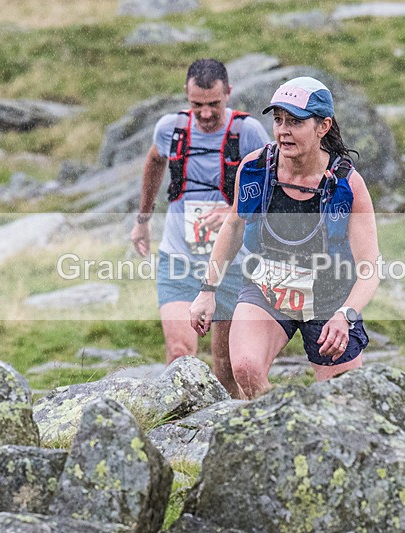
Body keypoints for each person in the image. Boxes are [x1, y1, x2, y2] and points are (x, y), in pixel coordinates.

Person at [189, 76, 380, 399]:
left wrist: (345, 315)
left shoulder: (347, 184)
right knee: (246, 370)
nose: (282, 130)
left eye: (295, 122)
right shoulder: (256, 168)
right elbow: (234, 227)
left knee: (345, 404)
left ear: (323, 126)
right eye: (278, 120)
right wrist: (207, 290)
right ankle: (278, 431)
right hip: (268, 291)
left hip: (329, 301)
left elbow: (370, 267)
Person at [131, 58, 270, 397]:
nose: (206, 114)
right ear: (186, 96)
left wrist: (235, 211)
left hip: (232, 266)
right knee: (180, 354)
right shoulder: (170, 129)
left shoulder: (248, 131)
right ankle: (172, 437)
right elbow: (154, 161)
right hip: (179, 257)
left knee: (226, 367)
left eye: (214, 105)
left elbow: (273, 185)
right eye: (197, 105)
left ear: (229, 94)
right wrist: (143, 220)